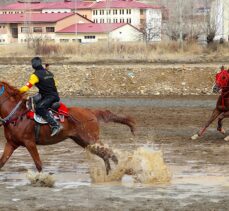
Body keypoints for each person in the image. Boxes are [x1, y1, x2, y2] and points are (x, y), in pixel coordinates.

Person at [20, 57, 62, 136]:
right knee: (32, 100)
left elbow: (26, 87)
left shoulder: (35, 75)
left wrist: (16, 92)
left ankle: (55, 125)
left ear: (33, 66)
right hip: (53, 95)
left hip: (49, 97)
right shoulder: (48, 72)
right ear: (40, 63)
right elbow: (55, 84)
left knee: (39, 107)